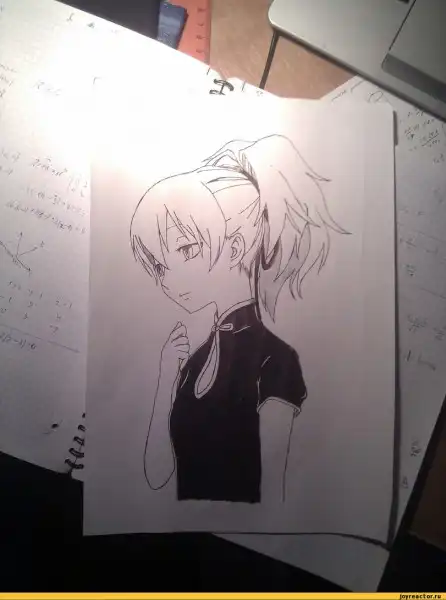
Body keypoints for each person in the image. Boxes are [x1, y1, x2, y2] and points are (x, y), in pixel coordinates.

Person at [130, 134, 346, 504]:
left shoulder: (275, 359)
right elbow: (157, 475)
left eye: (186, 249)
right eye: (159, 265)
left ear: (233, 248)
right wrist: (167, 375)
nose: (167, 277)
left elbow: (274, 493)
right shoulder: (194, 361)